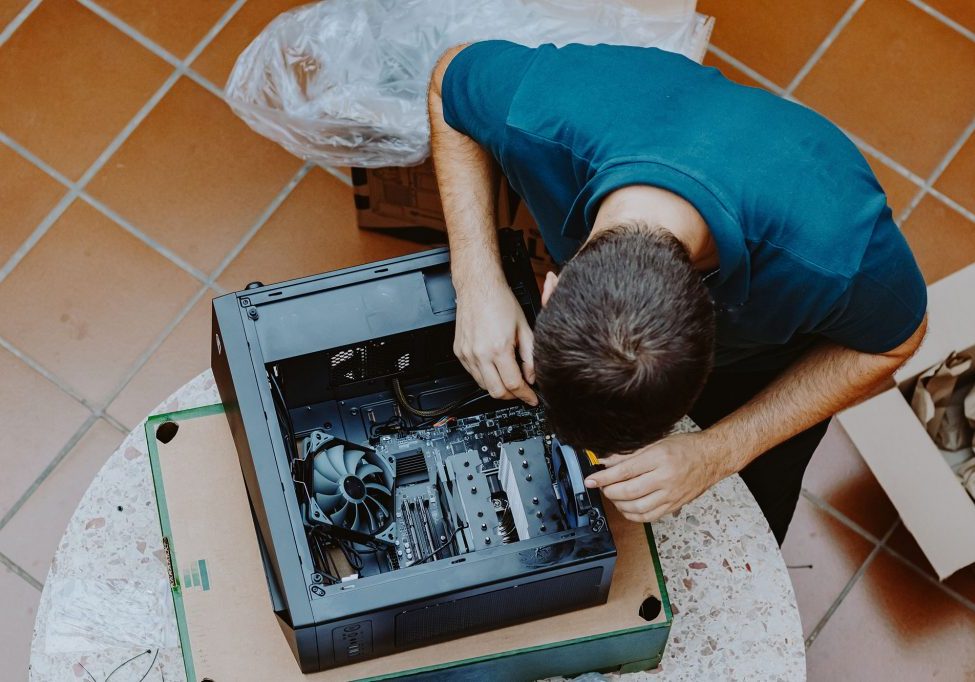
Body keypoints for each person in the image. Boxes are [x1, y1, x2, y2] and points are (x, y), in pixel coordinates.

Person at [426, 41, 927, 544]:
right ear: (553, 290)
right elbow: (449, 77)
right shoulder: (544, 110)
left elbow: (898, 341)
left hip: (765, 373)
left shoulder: (836, 254)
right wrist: (477, 281)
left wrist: (719, 451)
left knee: (749, 522)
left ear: (716, 329)